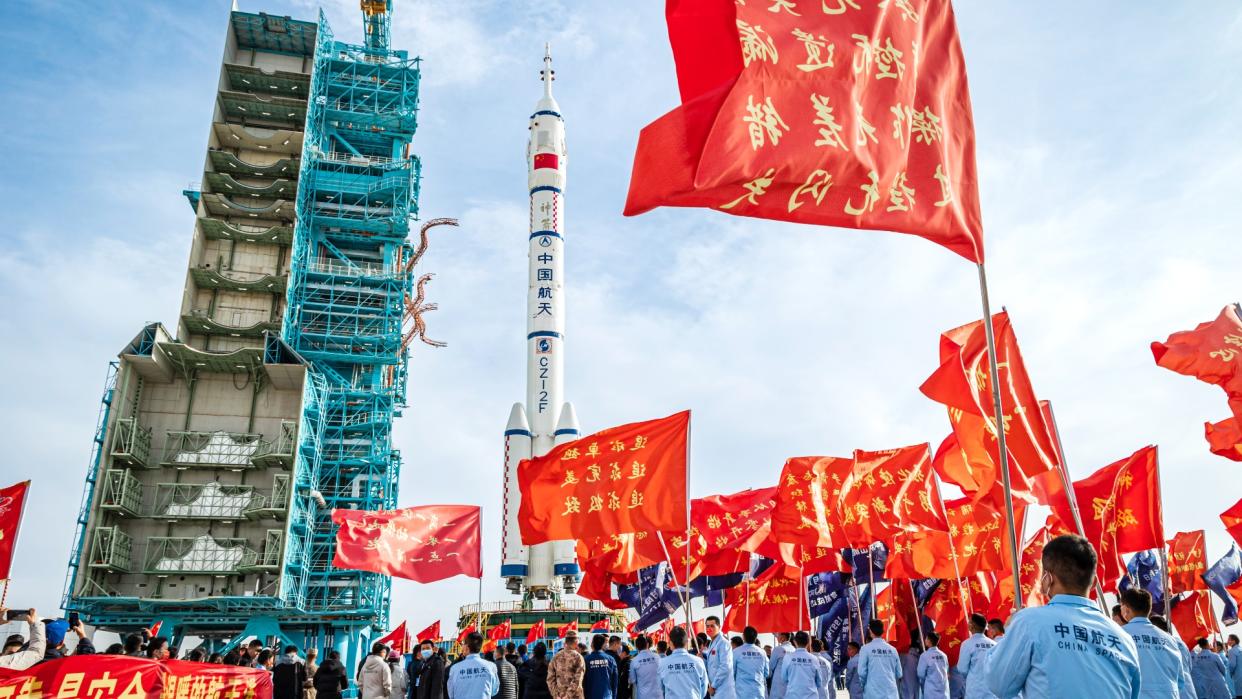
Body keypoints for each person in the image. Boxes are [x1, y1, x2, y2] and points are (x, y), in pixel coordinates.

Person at [986, 534, 1141, 698]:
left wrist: (1009, 631)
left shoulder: (1028, 622)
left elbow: (999, 684)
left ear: (1048, 579)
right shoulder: (1124, 639)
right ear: (1094, 582)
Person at [1119, 588, 1191, 698]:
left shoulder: (1120, 634)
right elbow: (1180, 681)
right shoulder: (1170, 639)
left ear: (1126, 609)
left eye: (1121, 606)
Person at [659, 626, 708, 699]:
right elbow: (704, 687)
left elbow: (661, 689)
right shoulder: (698, 661)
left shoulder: (662, 663)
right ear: (687, 642)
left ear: (670, 643)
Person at [857, 620, 901, 699]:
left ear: (870, 631)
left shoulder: (865, 649)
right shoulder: (893, 650)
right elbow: (899, 673)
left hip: (872, 692)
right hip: (891, 692)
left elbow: (861, 672)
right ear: (883, 631)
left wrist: (864, 686)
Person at [448, 633, 500, 699]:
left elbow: (451, 694)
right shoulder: (491, 666)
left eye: (463, 644)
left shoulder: (455, 668)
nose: (462, 646)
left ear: (466, 647)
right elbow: (494, 691)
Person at [955, 614, 994, 699]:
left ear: (973, 626)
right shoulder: (994, 644)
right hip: (991, 692)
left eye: (969, 621)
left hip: (975, 691)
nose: (968, 623)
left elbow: (962, 669)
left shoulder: (967, 644)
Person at [778, 631, 823, 699]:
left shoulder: (788, 657)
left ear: (795, 642)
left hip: (792, 696)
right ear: (808, 642)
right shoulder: (814, 659)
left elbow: (784, 678)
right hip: (811, 696)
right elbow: (819, 681)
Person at [733, 626, 769, 699]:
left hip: (742, 693)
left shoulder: (736, 652)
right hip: (758, 692)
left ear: (743, 636)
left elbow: (732, 673)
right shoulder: (762, 652)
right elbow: (766, 673)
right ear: (756, 637)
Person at [704, 616, 736, 699]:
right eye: (707, 626)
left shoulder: (723, 643)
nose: (709, 628)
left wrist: (714, 686)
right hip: (716, 690)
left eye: (712, 626)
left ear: (719, 627)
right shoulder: (712, 643)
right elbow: (712, 665)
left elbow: (725, 667)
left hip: (723, 690)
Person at [548, 631, 585, 699]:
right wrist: (567, 696)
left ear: (566, 642)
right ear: (576, 642)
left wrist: (556, 695)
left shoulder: (556, 657)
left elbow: (550, 678)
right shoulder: (578, 657)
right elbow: (578, 679)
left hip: (559, 696)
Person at [584, 635, 618, 699]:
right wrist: (614, 696)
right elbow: (615, 681)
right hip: (607, 696)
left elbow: (582, 681)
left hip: (590, 696)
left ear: (592, 644)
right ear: (603, 645)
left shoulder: (586, 659)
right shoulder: (611, 659)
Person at [917, 632, 949, 699]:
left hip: (931, 691)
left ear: (928, 641)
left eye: (926, 638)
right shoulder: (944, 655)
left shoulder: (924, 656)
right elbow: (946, 671)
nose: (925, 640)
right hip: (943, 691)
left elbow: (920, 674)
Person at [769, 633, 794, 699]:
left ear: (783, 637)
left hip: (779, 682)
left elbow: (771, 666)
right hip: (791, 681)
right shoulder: (794, 649)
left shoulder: (778, 649)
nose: (777, 637)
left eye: (778, 635)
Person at [900, 632, 921, 699]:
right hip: (916, 684)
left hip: (906, 681)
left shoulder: (905, 654)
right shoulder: (919, 655)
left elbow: (899, 670)